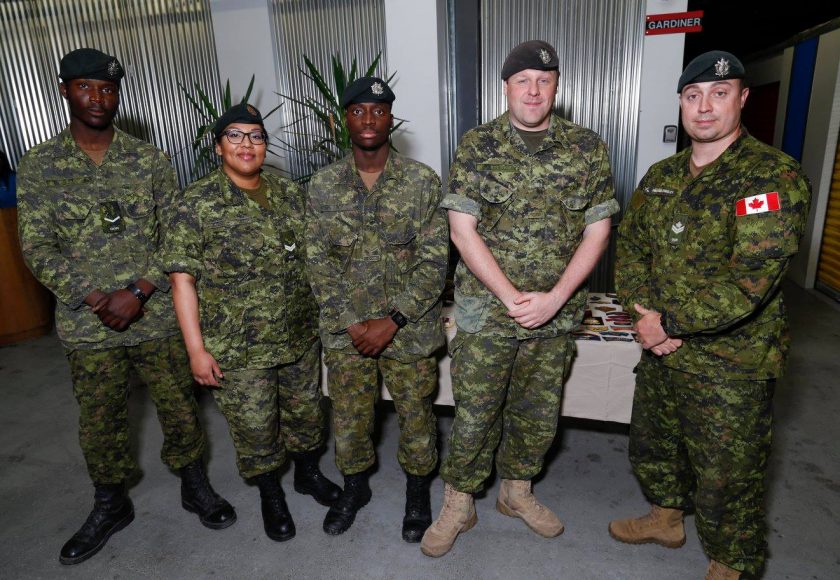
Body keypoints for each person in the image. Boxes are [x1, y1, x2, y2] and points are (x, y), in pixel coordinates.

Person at [16, 48, 234, 566]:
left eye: (108, 89)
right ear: (64, 90)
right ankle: (111, 503)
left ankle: (194, 484)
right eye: (86, 87)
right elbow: (37, 247)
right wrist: (96, 298)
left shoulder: (149, 160)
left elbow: (175, 237)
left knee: (180, 407)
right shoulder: (40, 165)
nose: (98, 98)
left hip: (155, 315)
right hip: (88, 325)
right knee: (100, 418)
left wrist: (137, 291)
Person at [609, 51, 811, 579]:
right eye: (693, 95)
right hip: (662, 350)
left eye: (719, 94)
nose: (704, 107)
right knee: (655, 445)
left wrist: (666, 323)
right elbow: (630, 251)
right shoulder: (661, 176)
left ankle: (731, 563)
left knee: (728, 473)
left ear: (742, 99)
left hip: (730, 362)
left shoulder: (770, 176)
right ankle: (665, 519)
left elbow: (752, 281)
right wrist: (643, 316)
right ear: (680, 102)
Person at [421, 40, 619, 557]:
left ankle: (517, 492)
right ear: (506, 87)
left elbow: (597, 231)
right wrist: (511, 297)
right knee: (475, 413)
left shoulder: (587, 148)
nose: (534, 91)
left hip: (554, 315)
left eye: (544, 80)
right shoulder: (477, 145)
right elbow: (462, 230)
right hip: (488, 313)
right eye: (523, 81)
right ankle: (459, 503)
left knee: (537, 413)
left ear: (557, 86)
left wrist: (554, 299)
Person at [164, 103, 341, 542]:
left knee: (306, 414)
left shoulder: (289, 192)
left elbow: (313, 259)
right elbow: (182, 281)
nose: (247, 145)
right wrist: (196, 350)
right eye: (235, 136)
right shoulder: (196, 203)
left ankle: (307, 475)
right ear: (218, 146)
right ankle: (270, 494)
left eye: (256, 136)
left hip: (298, 334)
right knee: (256, 427)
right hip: (240, 345)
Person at [305, 77, 449, 540]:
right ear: (342, 119)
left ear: (391, 119)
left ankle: (417, 492)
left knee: (416, 416)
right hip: (346, 332)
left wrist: (394, 320)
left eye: (378, 111)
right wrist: (352, 323)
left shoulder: (422, 181)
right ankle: (354, 487)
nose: (368, 120)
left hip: (408, 331)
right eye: (358, 111)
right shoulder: (323, 185)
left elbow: (435, 261)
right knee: (349, 418)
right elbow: (317, 263)